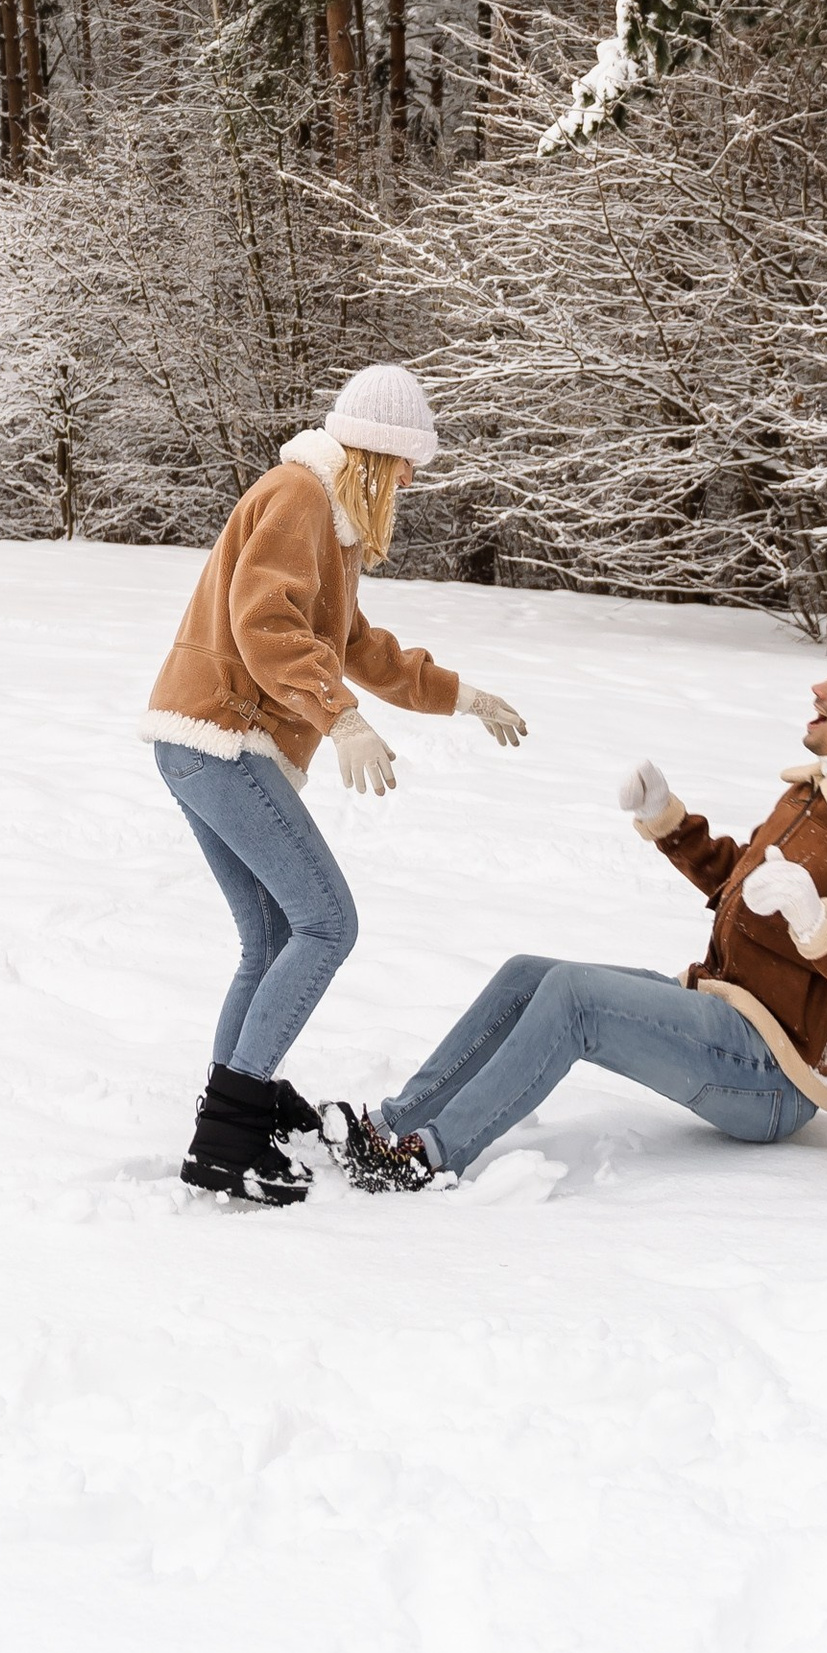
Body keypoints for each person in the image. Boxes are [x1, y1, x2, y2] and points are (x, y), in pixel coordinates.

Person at [330, 638, 827, 1191]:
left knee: (576, 997)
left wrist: (819, 925)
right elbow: (746, 889)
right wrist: (670, 822)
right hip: (726, 1013)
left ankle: (426, 1157)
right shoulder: (812, 794)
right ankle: (393, 1121)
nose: (817, 688)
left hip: (775, 1076)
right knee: (528, 974)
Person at [143, 364, 529, 1204]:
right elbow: (265, 621)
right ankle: (230, 1130)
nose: (412, 480)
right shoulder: (300, 496)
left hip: (204, 741)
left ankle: (230, 1110)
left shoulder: (331, 524)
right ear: (373, 454)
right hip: (222, 736)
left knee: (273, 936)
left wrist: (460, 695)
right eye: (405, 464)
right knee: (327, 923)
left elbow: (359, 645)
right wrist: (339, 719)